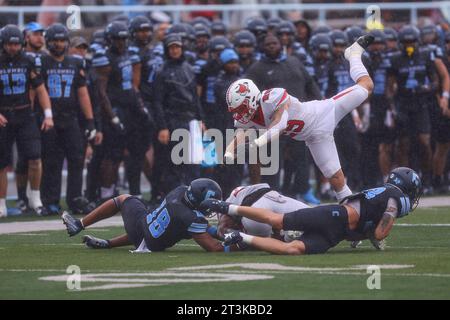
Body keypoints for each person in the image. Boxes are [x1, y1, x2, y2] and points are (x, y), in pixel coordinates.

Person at [224, 35, 375, 202]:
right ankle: (351, 212)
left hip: (325, 112)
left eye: (241, 107)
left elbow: (279, 124)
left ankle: (353, 55)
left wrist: (255, 143)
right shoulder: (247, 115)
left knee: (367, 86)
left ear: (251, 98)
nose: (240, 113)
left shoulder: (271, 97)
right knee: (336, 179)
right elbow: (239, 134)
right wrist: (228, 154)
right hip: (314, 136)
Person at [200, 167, 422, 255]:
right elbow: (381, 231)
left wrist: (367, 233)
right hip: (334, 217)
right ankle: (227, 207)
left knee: (292, 249)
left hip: (335, 235)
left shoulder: (384, 193)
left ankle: (242, 237)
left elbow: (372, 224)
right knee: (278, 221)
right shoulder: (396, 198)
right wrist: (376, 234)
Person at [62, 178, 239, 253]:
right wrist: (242, 245)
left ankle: (106, 243)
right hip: (149, 238)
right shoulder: (191, 218)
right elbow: (214, 247)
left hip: (148, 231)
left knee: (144, 225)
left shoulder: (179, 192)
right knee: (123, 199)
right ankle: (79, 224)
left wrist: (224, 233)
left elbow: (205, 228)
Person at [38, 23, 96, 215]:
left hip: (71, 119)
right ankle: (50, 200)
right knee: (51, 160)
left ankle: (75, 198)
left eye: (62, 40)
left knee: (76, 159)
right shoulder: (42, 62)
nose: (59, 44)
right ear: (48, 42)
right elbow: (36, 91)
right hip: (50, 120)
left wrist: (89, 120)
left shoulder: (76, 63)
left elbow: (83, 94)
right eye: (55, 40)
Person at [0, 25, 54, 218]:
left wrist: (48, 114)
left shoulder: (28, 61)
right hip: (4, 117)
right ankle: (2, 204)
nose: (13, 48)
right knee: (2, 163)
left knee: (35, 157)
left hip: (24, 115)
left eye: (16, 44)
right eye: (9, 44)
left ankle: (35, 199)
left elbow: (40, 89)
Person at [217, 183, 309, 241]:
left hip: (253, 216)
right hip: (264, 199)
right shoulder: (234, 195)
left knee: (276, 240)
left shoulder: (226, 213)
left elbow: (221, 230)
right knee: (312, 219)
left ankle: (286, 237)